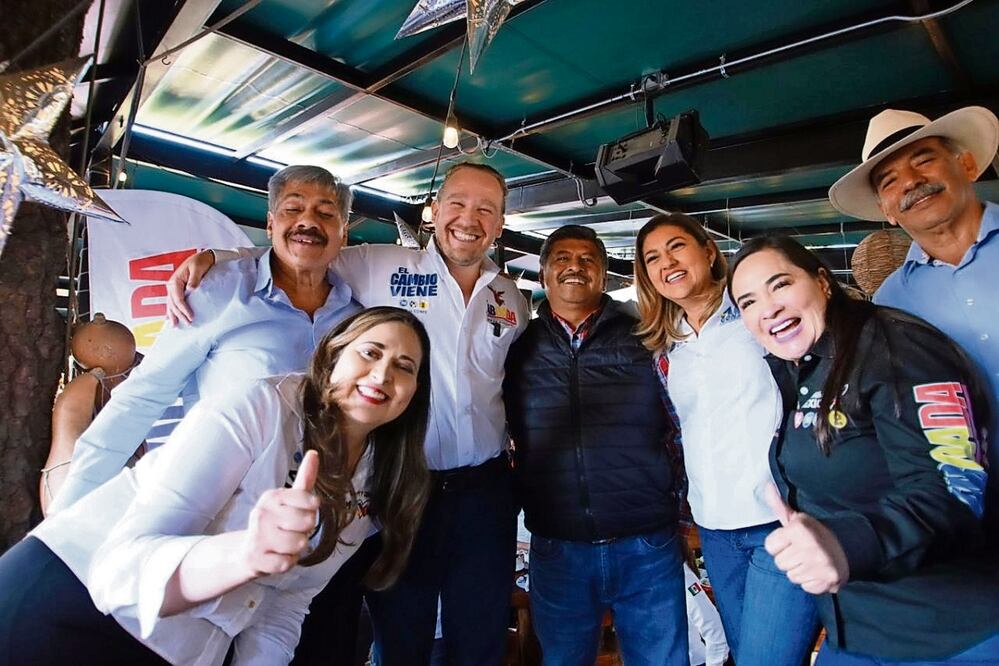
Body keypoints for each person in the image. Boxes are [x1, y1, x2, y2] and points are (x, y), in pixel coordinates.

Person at [166, 162, 529, 665]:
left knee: (482, 630)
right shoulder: (379, 264)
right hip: (405, 482)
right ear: (435, 210)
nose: (469, 218)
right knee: (402, 629)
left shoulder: (509, 296)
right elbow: (299, 251)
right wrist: (216, 258)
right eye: (458, 203)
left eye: (486, 209)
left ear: (500, 222)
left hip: (485, 490)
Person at [0, 307, 432, 666]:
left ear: (414, 393)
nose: (381, 374)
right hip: (65, 601)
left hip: (178, 647)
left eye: (404, 367)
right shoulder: (259, 407)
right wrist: (248, 553)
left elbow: (289, 600)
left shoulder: (377, 476)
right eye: (370, 352)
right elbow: (120, 572)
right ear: (332, 356)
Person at [728, 234, 999, 664]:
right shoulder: (797, 368)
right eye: (747, 302)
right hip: (855, 633)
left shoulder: (896, 347)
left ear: (822, 281)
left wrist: (847, 545)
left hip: (949, 637)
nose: (768, 308)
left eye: (780, 284)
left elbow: (957, 491)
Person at [49, 165, 361, 514]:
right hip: (220, 507)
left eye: (326, 213)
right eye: (293, 209)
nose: (308, 222)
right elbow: (142, 398)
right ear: (271, 223)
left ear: (343, 233)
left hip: (324, 508)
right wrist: (65, 517)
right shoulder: (216, 289)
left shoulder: (358, 311)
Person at [633, 213, 818, 665]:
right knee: (741, 652)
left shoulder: (754, 315)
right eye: (652, 258)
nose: (667, 263)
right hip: (714, 528)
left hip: (778, 522)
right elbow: (679, 435)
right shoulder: (666, 344)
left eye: (677, 247)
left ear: (708, 251)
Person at [504, 225, 688, 665]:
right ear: (545, 274)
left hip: (646, 541)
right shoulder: (516, 347)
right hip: (557, 545)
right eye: (562, 259)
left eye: (588, 259)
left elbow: (681, 426)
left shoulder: (645, 334)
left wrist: (679, 513)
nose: (575, 267)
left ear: (604, 275)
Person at [827, 106, 999, 538]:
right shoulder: (890, 304)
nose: (910, 182)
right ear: (886, 209)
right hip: (971, 508)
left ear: (967, 164)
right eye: (889, 180)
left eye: (923, 160)